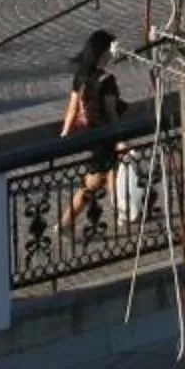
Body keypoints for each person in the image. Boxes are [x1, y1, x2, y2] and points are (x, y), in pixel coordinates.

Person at [57, 31, 128, 236]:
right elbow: (112, 113)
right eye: (111, 51)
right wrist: (121, 139)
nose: (113, 55)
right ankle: (123, 211)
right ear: (104, 53)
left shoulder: (80, 76)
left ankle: (67, 222)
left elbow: (72, 109)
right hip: (106, 136)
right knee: (102, 177)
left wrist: (64, 134)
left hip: (91, 136)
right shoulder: (107, 80)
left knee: (98, 179)